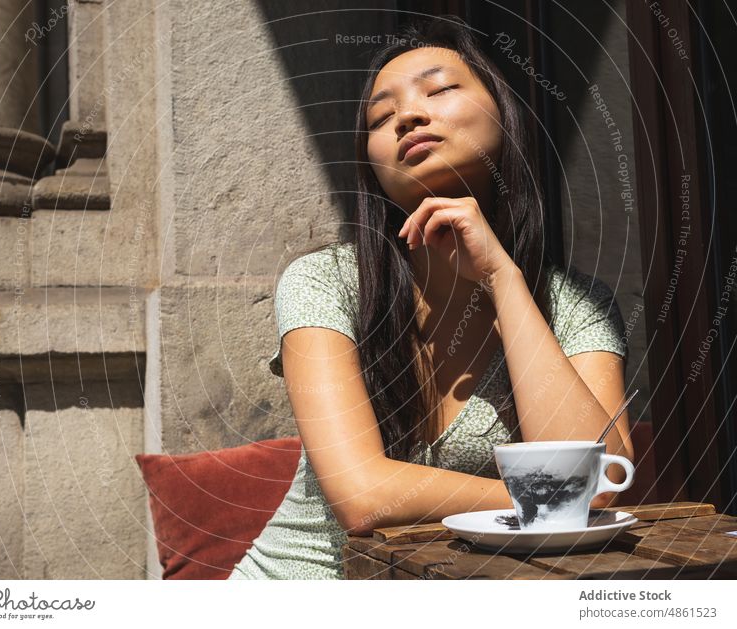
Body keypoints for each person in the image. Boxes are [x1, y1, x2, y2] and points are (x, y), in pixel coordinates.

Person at [228, 15, 633, 580]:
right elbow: (363, 496)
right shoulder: (327, 283)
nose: (409, 116)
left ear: (505, 113)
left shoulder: (579, 307)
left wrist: (503, 280)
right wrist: (549, 505)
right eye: (380, 117)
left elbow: (600, 479)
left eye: (439, 89)